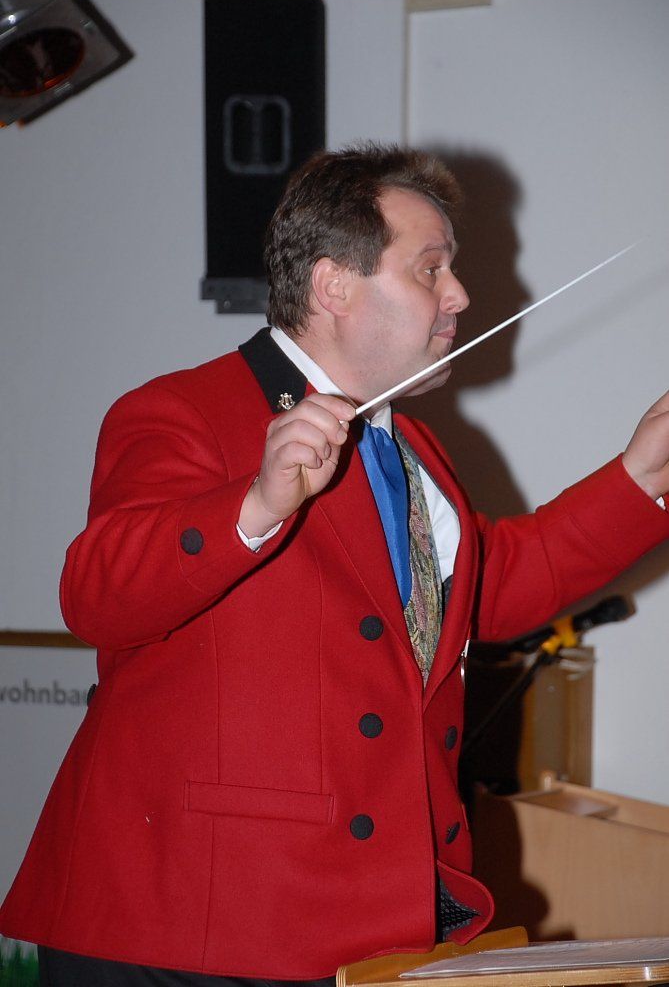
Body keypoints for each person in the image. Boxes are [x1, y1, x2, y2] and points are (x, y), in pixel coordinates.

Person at [2, 144, 668, 986]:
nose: (460, 295)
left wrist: (641, 477)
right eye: (431, 268)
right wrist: (255, 506)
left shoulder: (409, 446)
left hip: (343, 923)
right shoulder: (182, 409)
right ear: (333, 286)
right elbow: (96, 596)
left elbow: (487, 592)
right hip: (182, 927)